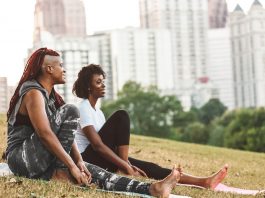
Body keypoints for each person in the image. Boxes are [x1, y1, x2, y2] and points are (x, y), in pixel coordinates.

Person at [5, 47, 181, 198]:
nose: (64, 69)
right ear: (49, 68)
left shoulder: (52, 98)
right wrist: (70, 165)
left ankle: (153, 189)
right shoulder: (33, 92)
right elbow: (45, 134)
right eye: (61, 65)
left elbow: (66, 137)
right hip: (22, 159)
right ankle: (60, 172)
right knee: (71, 110)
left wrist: (79, 162)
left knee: (95, 172)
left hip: (42, 160)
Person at [73, 64, 228, 189]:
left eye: (103, 81)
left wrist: (127, 164)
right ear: (88, 87)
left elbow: (107, 144)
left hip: (101, 157)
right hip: (88, 160)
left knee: (150, 167)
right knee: (121, 115)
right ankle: (125, 168)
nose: (103, 85)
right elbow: (98, 145)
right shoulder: (84, 108)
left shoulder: (98, 112)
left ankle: (203, 182)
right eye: (98, 82)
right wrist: (126, 166)